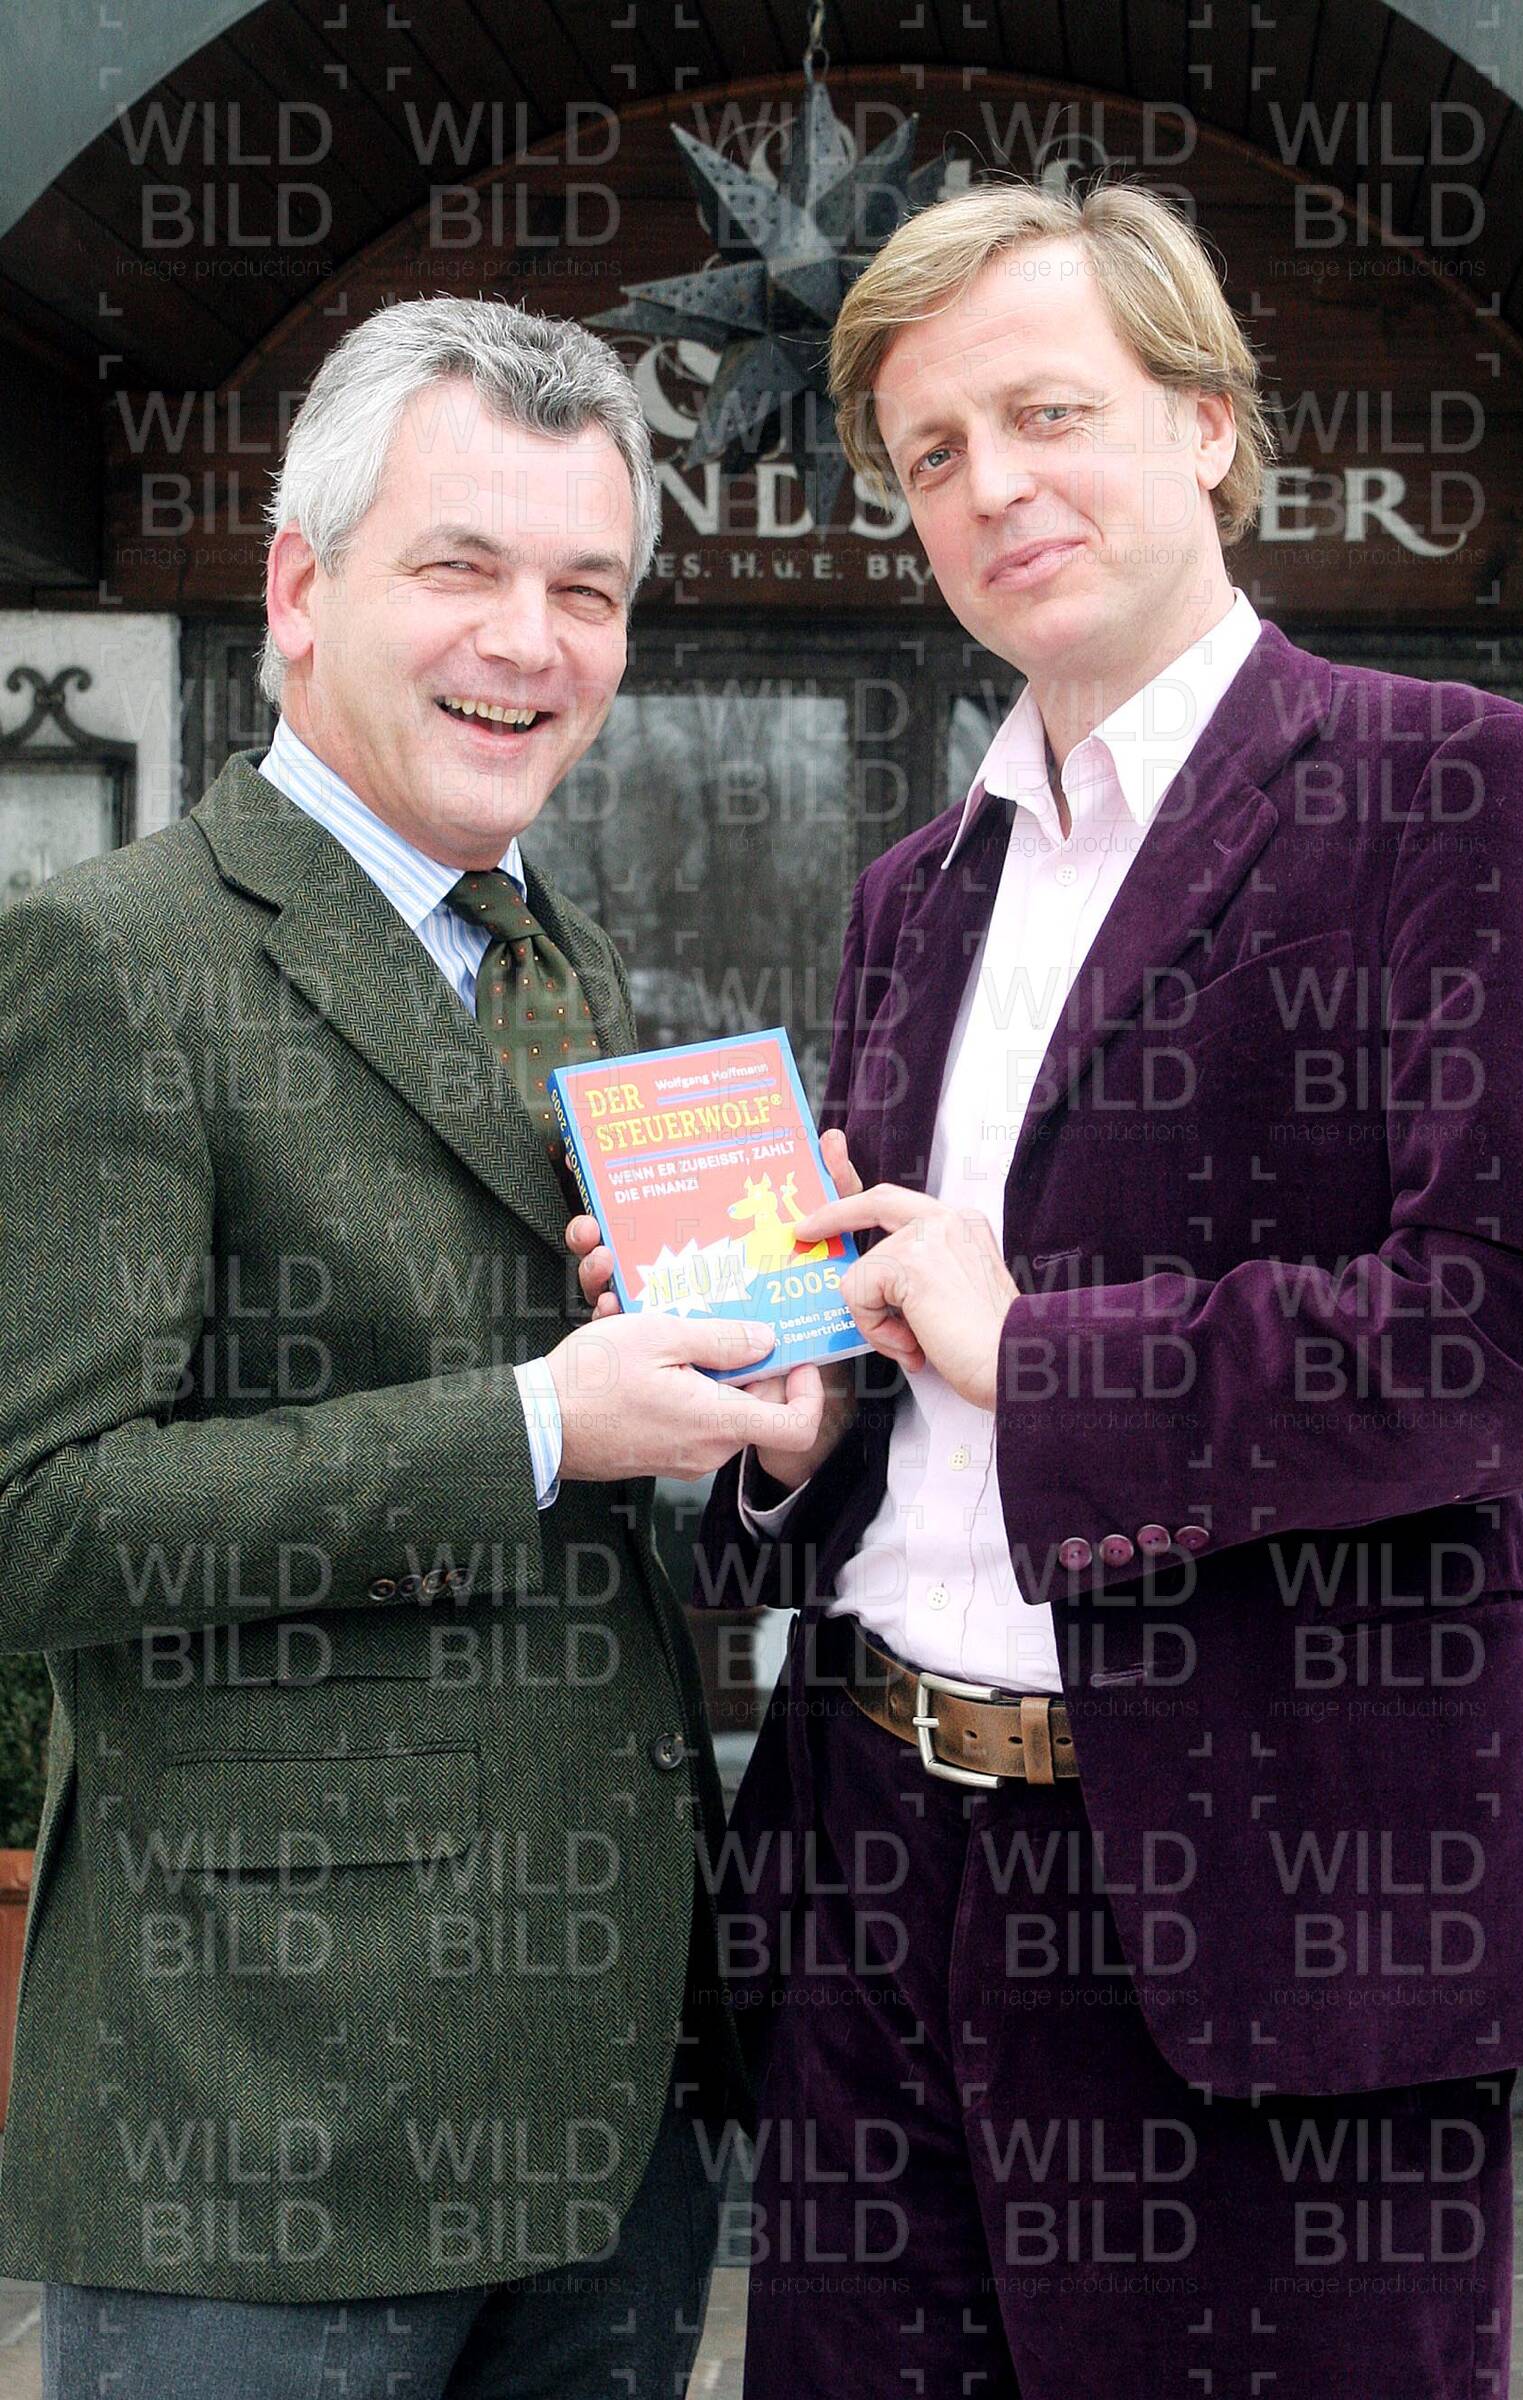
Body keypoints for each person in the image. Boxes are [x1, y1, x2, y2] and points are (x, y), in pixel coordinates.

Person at [574, 180, 1523, 2397]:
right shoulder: (912, 892)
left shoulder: (1456, 790)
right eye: (932, 454)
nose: (991, 488)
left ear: (1209, 425)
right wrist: (797, 1415)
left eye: (1049, 413)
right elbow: (911, 1363)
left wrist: (1037, 1350)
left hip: (1273, 1909)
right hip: (874, 1871)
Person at [0, 296, 825, 2399]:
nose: (528, 643)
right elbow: (35, 1524)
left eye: (587, 589)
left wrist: (750, 1424)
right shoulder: (108, 960)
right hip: (260, 2119)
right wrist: (537, 1423)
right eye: (461, 567)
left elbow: (602, 1478)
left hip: (606, 2104)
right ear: (301, 589)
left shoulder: (563, 957)